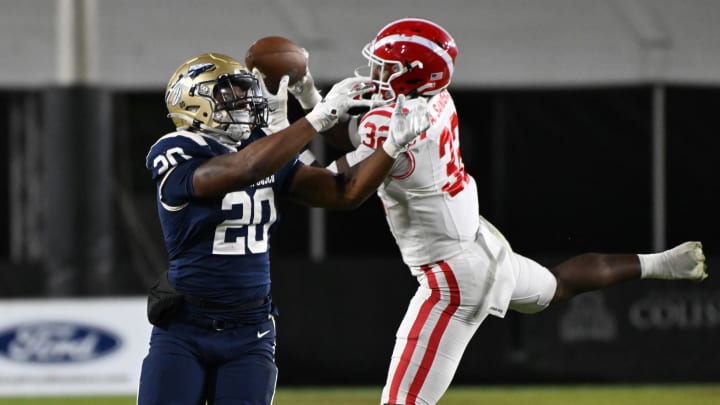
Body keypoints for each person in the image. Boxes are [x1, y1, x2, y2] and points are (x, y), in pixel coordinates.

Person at [309, 18, 709, 405]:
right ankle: (661, 263)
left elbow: (334, 188)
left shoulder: (394, 126)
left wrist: (289, 123)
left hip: (452, 277)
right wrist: (309, 97)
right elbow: (354, 135)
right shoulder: (438, 100)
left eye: (386, 67)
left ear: (412, 75)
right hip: (483, 247)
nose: (375, 72)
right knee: (557, 286)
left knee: (402, 402)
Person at [137, 52, 431, 405]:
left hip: (252, 328)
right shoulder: (176, 149)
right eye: (229, 93)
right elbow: (242, 169)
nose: (244, 101)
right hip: (185, 327)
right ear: (193, 99)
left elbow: (344, 193)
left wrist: (391, 146)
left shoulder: (262, 147)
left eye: (245, 91)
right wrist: (317, 117)